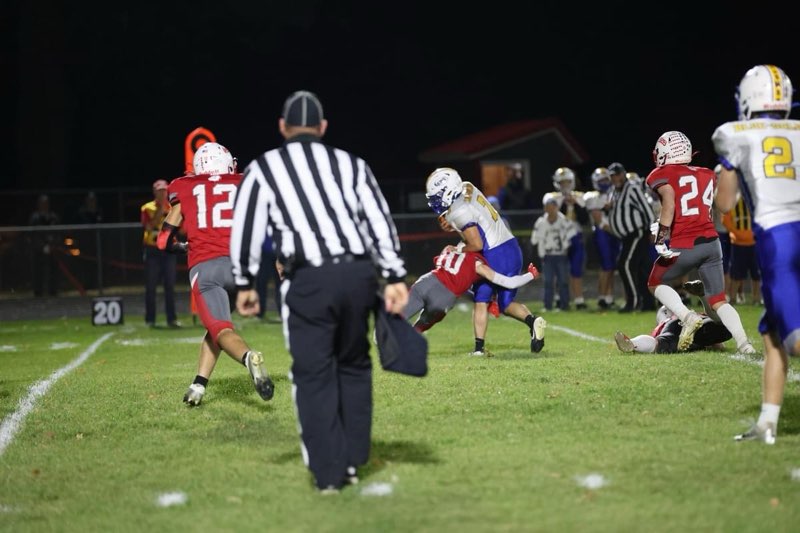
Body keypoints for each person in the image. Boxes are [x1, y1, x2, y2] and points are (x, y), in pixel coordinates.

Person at [229, 90, 409, 493]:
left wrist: (244, 282)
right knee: (353, 365)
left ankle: (330, 471)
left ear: (282, 127)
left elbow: (246, 227)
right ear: (323, 128)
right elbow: (379, 221)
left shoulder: (266, 168)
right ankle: (352, 458)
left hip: (309, 279)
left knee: (313, 374)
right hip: (357, 275)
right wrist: (395, 275)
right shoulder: (351, 164)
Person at [712, 64, 800, 444]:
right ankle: (767, 423)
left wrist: (723, 178)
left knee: (795, 341)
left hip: (780, 238)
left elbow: (726, 204)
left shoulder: (734, 135)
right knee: (772, 335)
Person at [158, 142, 274, 406]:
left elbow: (164, 240)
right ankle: (198, 384)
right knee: (216, 327)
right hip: (242, 268)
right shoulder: (243, 181)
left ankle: (248, 358)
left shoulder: (186, 187)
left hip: (207, 268)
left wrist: (183, 247)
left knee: (221, 329)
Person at [645, 130, 753, 355]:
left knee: (655, 282)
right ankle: (745, 344)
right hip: (712, 242)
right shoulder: (706, 174)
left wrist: (662, 236)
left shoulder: (660, 174)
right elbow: (718, 207)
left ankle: (688, 317)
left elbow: (670, 203)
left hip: (684, 243)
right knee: (718, 299)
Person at [425, 167, 546, 356]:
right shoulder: (467, 187)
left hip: (494, 254)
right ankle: (533, 321)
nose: (436, 201)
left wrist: (457, 248)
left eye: (437, 195)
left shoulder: (458, 211)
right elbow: (476, 222)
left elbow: (475, 244)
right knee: (501, 302)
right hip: (511, 248)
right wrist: (455, 226)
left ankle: (479, 349)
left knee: (482, 299)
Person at [404, 243, 541, 344]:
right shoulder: (477, 262)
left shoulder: (449, 249)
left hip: (426, 281)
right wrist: (530, 275)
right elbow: (509, 283)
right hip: (444, 297)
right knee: (422, 325)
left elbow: (452, 281)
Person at [607, 161, 657, 312]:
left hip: (637, 233)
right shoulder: (615, 191)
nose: (616, 178)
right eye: (613, 176)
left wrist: (652, 231)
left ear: (623, 174)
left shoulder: (632, 188)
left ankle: (632, 302)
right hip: (627, 236)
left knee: (624, 265)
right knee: (641, 269)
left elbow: (646, 209)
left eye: (618, 174)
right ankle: (647, 303)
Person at [544, 167, 588, 309]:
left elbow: (584, 220)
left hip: (576, 236)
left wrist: (574, 204)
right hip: (560, 238)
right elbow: (552, 216)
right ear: (557, 183)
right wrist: (563, 203)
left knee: (576, 269)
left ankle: (579, 300)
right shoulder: (552, 198)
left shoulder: (580, 197)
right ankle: (559, 298)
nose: (565, 185)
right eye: (562, 182)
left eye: (568, 181)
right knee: (559, 270)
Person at [141, 179, 179, 328]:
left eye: (165, 190)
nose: (163, 193)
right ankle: (150, 320)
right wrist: (160, 210)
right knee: (151, 286)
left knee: (170, 286)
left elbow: (180, 228)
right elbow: (149, 227)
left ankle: (172, 319)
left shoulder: (174, 207)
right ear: (154, 192)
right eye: (160, 190)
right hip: (152, 250)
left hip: (168, 250)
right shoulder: (147, 208)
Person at [584, 167, 620, 309]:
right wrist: (617, 230)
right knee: (606, 266)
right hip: (603, 233)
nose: (605, 182)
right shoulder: (592, 197)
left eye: (606, 179)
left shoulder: (614, 194)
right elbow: (598, 220)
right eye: (601, 180)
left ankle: (609, 297)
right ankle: (602, 297)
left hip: (613, 233)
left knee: (612, 266)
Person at [531, 196, 574, 311]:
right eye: (548, 207)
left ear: (556, 207)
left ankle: (565, 305)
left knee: (563, 281)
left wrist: (566, 247)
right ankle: (547, 305)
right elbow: (534, 239)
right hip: (548, 256)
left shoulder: (563, 220)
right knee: (548, 282)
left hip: (561, 255)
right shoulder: (541, 222)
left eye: (552, 207)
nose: (550, 210)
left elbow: (571, 234)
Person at [722, 196, 761, 305]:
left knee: (756, 273)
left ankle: (756, 299)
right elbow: (725, 219)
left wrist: (755, 234)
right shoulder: (732, 201)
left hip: (754, 243)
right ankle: (733, 298)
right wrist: (737, 233)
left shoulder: (755, 202)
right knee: (736, 273)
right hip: (738, 244)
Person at [28, 194, 60, 297]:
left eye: (46, 203)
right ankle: (38, 292)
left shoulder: (53, 217)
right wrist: (42, 247)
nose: (44, 205)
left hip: (52, 249)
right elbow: (33, 235)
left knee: (53, 271)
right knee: (38, 271)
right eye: (42, 203)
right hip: (39, 250)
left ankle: (53, 291)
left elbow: (58, 233)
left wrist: (53, 245)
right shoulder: (34, 218)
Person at [255, 232, 282, 321]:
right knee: (261, 282)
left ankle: (283, 312)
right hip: (265, 252)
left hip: (279, 252)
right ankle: (259, 312)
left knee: (281, 283)